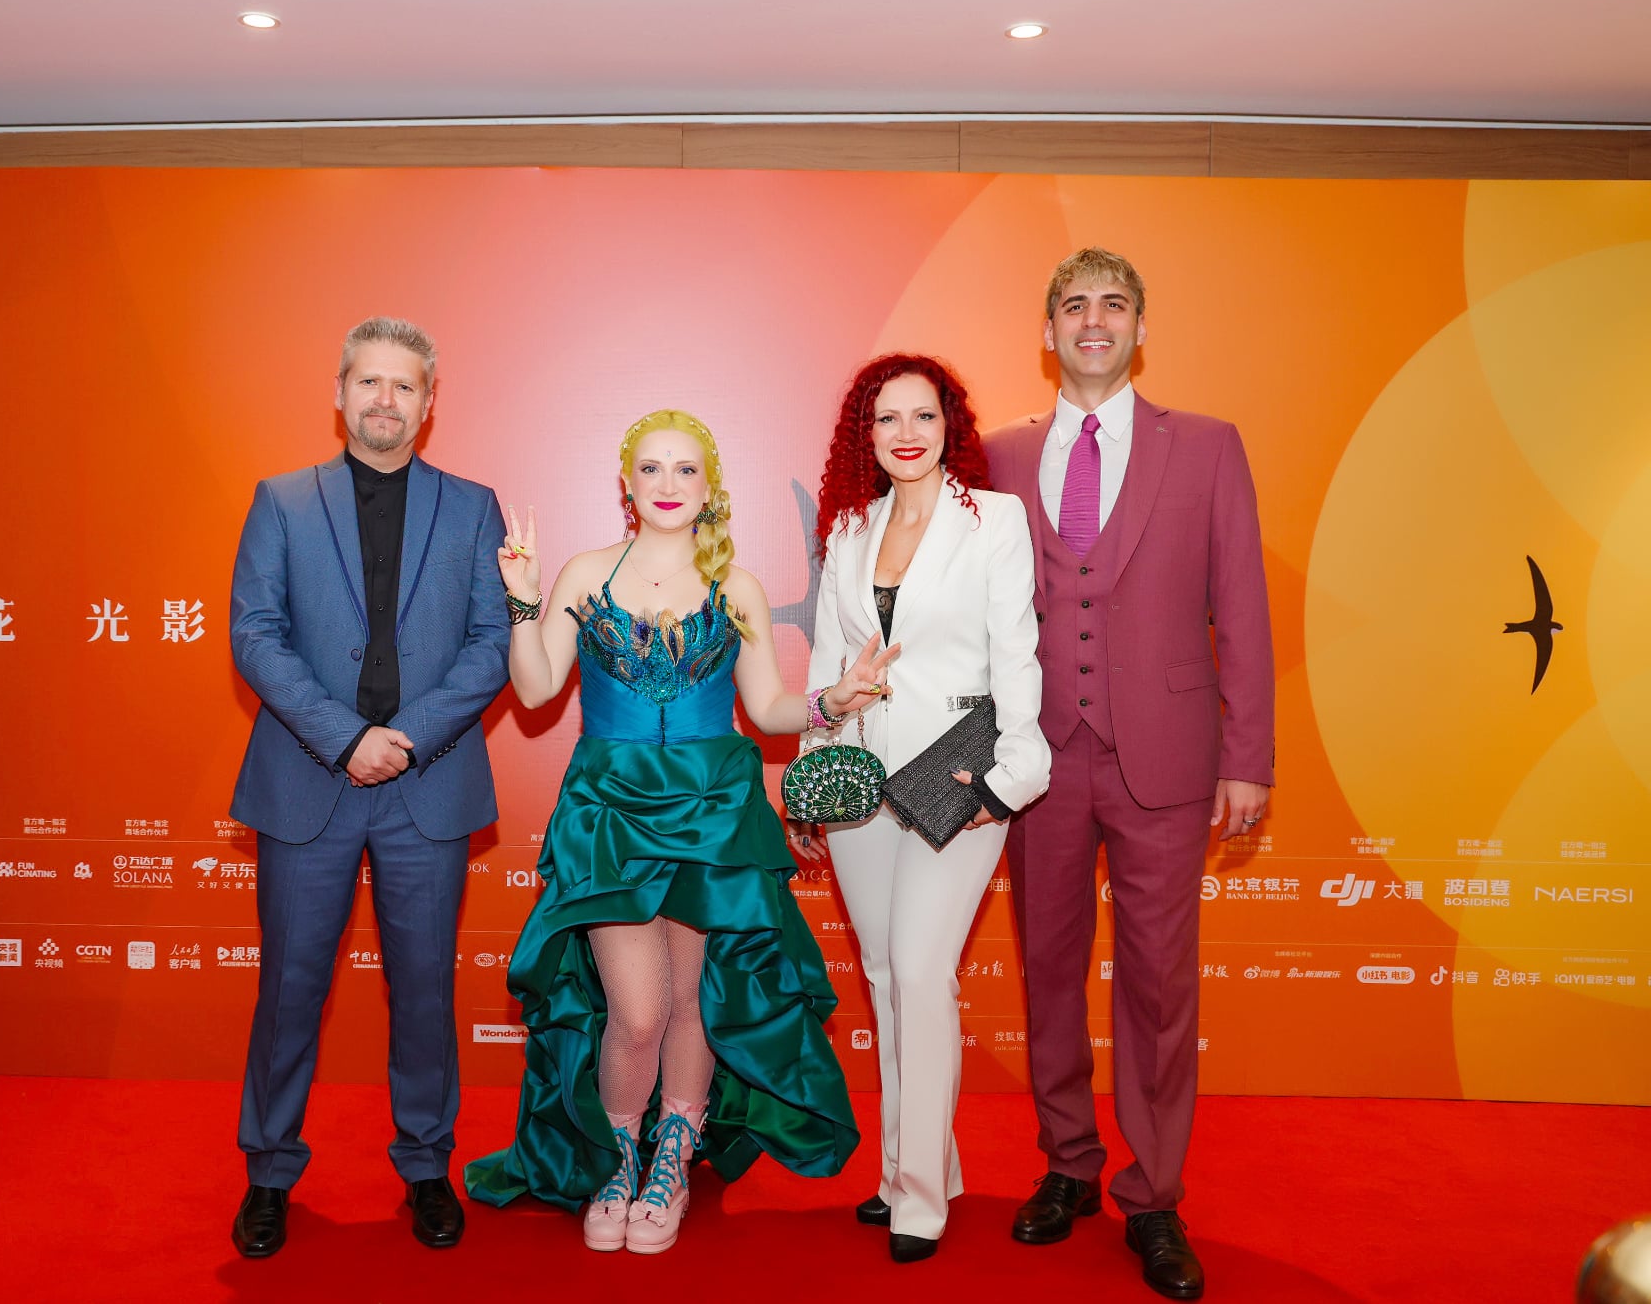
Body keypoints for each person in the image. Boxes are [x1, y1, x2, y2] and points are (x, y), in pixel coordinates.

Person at [464, 409, 881, 1254]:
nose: (667, 484)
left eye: (685, 469)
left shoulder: (739, 586)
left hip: (712, 809)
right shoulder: (586, 572)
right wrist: (522, 598)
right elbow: (536, 689)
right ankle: (618, 1158)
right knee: (639, 1010)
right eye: (650, 468)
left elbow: (766, 707)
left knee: (692, 1002)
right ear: (627, 482)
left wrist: (830, 701)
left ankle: (671, 1162)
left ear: (709, 486)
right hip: (611, 812)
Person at [985, 248, 1274, 1301]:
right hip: (1038, 758)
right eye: (1074, 305)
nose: (1093, 321)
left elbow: (1241, 604)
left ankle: (1152, 1195)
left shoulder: (1205, 445)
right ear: (1048, 330)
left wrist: (1248, 755)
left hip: (1168, 758)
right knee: (1048, 968)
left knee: (1157, 984)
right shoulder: (998, 455)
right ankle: (1068, 1162)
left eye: (1113, 304)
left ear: (1140, 327)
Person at [225, 317, 510, 1258]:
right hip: (308, 778)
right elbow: (255, 634)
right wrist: (346, 738)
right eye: (369, 382)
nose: (386, 399)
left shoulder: (473, 507)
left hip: (425, 782)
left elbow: (493, 643)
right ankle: (269, 1171)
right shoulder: (281, 501)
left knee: (424, 987)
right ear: (340, 392)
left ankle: (427, 1164)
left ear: (429, 404)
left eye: (405, 385)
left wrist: (405, 738)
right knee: (289, 987)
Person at [798, 353, 1050, 1263]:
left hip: (957, 781)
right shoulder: (850, 527)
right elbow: (830, 660)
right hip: (861, 779)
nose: (906, 433)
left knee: (919, 969)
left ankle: (918, 1198)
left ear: (951, 428)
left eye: (924, 416)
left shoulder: (994, 519)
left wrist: (1009, 778)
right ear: (863, 436)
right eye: (887, 419)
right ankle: (915, 1166)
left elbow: (1015, 652)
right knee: (882, 975)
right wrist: (814, 770)